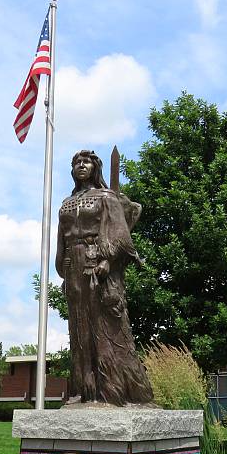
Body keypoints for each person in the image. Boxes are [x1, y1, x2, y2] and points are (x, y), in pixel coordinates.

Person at [55, 150, 154, 406]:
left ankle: (112, 392)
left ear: (95, 167)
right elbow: (61, 238)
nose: (80, 165)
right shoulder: (67, 203)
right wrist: (63, 264)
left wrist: (107, 259)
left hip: (97, 264)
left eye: (85, 162)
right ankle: (83, 390)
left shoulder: (106, 197)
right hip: (73, 267)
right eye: (76, 162)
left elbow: (119, 234)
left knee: (104, 328)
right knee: (79, 329)